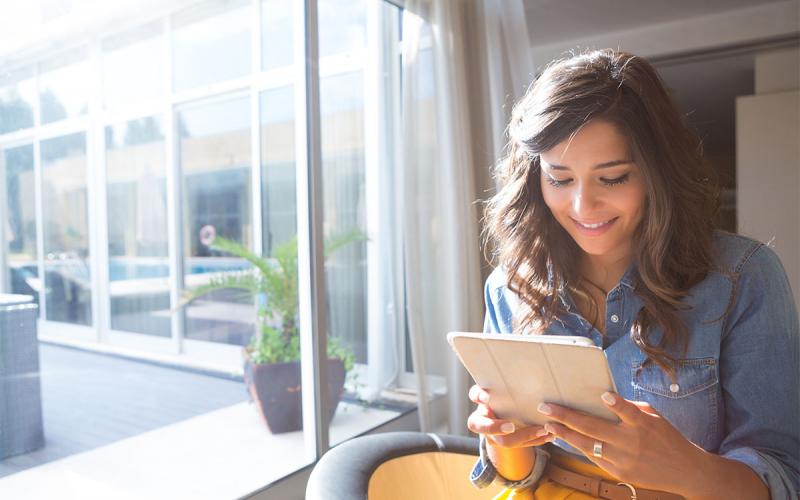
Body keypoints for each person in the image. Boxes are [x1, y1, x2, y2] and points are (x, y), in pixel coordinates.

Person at [467, 49, 799, 500]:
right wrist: (502, 441)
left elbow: (783, 477)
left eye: (613, 178)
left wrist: (687, 470)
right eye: (560, 179)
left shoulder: (741, 277)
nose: (583, 208)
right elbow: (518, 476)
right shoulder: (510, 288)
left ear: (657, 173)